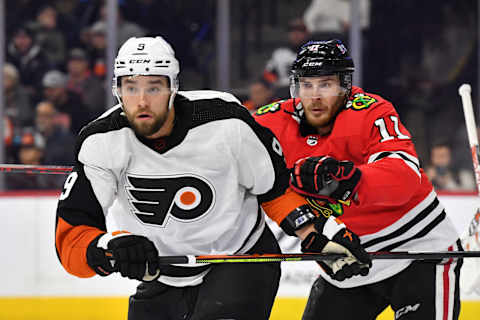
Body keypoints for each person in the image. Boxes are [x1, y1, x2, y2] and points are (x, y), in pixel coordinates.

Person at [54, 36, 371, 320]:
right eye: (130, 87)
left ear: (173, 87)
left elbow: (273, 189)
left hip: (243, 260)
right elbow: (70, 241)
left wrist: (317, 233)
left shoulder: (227, 121)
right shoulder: (100, 141)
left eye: (154, 87)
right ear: (117, 90)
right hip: (164, 276)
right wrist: (108, 247)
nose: (142, 101)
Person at [253, 39, 463, 320]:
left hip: (418, 250)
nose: (314, 96)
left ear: (344, 84)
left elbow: (406, 175)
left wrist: (348, 178)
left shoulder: (371, 111)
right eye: (307, 84)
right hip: (347, 259)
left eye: (325, 84)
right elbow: (244, 166)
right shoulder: (272, 123)